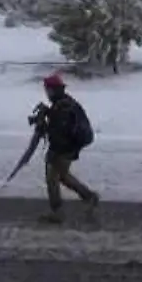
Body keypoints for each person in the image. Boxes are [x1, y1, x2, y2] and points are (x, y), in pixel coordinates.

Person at [36, 72, 99, 223]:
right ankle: (89, 197)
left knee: (52, 178)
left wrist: (43, 125)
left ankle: (57, 212)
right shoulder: (65, 102)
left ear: (52, 89)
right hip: (71, 146)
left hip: (64, 148)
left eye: (47, 89)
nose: (46, 92)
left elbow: (59, 131)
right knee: (63, 176)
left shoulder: (62, 106)